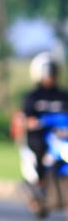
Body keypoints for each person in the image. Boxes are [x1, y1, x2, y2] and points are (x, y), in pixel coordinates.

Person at [20, 53, 68, 198]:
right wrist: (38, 122)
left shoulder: (63, 96)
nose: (50, 77)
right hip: (40, 135)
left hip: (61, 134)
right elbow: (27, 119)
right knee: (40, 149)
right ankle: (40, 183)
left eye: (52, 74)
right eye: (48, 74)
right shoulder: (33, 97)